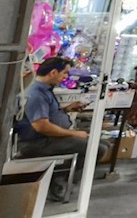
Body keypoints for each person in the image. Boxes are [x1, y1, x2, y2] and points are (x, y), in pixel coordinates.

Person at [13, 57, 105, 201]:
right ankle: (59, 183)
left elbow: (46, 114)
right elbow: (41, 126)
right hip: (39, 143)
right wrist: (74, 133)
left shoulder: (45, 91)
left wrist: (67, 109)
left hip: (50, 139)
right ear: (53, 72)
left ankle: (60, 179)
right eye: (65, 73)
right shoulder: (36, 94)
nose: (65, 77)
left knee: (103, 144)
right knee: (96, 148)